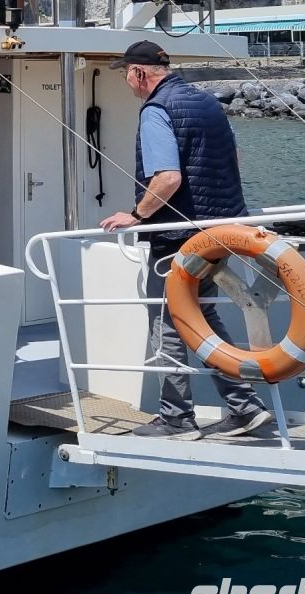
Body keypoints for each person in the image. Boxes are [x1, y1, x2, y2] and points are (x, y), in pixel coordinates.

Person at [100, 40, 273, 441]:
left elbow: (168, 178)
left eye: (125, 74)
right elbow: (234, 159)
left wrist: (137, 215)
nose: (127, 82)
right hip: (220, 231)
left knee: (166, 322)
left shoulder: (156, 110)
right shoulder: (207, 102)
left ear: (139, 73)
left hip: (178, 237)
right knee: (203, 317)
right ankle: (245, 407)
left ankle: (176, 419)